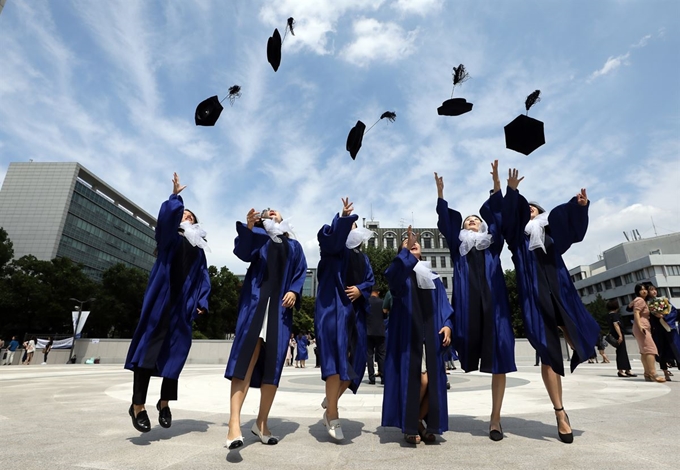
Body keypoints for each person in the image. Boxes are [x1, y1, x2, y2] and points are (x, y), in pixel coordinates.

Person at [502, 168, 600, 444]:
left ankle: (579, 342)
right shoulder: (517, 240)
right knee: (548, 352)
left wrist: (579, 207)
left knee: (574, 325)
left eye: (534, 208)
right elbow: (509, 215)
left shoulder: (551, 234)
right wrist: (512, 192)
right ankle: (560, 412)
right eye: (527, 208)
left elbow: (572, 228)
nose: (530, 209)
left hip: (559, 288)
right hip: (534, 294)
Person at [124, 172, 211, 433]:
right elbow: (165, 222)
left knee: (175, 354)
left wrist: (202, 301)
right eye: (183, 214)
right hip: (162, 300)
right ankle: (138, 405)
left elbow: (204, 277)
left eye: (190, 216)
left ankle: (164, 404)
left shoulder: (198, 248)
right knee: (148, 350)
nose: (186, 216)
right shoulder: (168, 238)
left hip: (182, 305)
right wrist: (175, 197)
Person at [435, 161, 515, 441]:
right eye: (468, 219)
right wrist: (441, 195)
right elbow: (446, 223)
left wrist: (496, 184)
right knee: (457, 345)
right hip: (468, 308)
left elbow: (498, 215)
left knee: (500, 356)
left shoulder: (492, 242)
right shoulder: (458, 247)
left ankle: (495, 419)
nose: (473, 221)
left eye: (475, 219)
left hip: (494, 306)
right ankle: (426, 411)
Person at [225, 207, 307, 450]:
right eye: (266, 211)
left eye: (275, 210)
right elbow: (242, 252)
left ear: (282, 218)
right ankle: (234, 423)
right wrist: (250, 228)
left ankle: (261, 423)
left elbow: (301, 272)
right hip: (256, 304)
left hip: (280, 310)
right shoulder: (259, 234)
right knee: (246, 361)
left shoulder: (294, 245)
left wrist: (294, 290)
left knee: (274, 364)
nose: (271, 211)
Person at [382, 226, 453, 445]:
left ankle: (416, 422)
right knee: (421, 380)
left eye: (415, 243)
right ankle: (413, 422)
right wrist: (404, 255)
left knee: (435, 384)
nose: (412, 243)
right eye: (406, 243)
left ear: (422, 252)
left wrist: (448, 325)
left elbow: (444, 305)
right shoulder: (400, 276)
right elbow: (392, 278)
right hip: (409, 337)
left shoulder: (433, 277)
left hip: (432, 336)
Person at [315, 198, 375, 441]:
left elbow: (370, 281)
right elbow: (331, 238)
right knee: (337, 360)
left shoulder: (363, 258)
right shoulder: (331, 247)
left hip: (357, 313)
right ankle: (333, 413)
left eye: (354, 224)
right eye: (349, 224)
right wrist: (342, 217)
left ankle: (331, 400)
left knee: (356, 365)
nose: (353, 227)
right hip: (334, 309)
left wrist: (360, 289)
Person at [630, 283, 665, 382]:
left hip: (642, 326)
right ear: (637, 291)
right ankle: (653, 374)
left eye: (645, 289)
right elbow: (636, 312)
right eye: (641, 290)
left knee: (644, 351)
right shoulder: (640, 300)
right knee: (651, 349)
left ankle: (647, 374)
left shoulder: (641, 300)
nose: (644, 291)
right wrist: (640, 326)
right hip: (642, 326)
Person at [646, 283, 680, 381]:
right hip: (658, 330)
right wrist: (655, 315)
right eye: (651, 290)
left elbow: (674, 312)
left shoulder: (664, 300)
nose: (654, 291)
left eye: (654, 289)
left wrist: (665, 316)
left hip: (669, 329)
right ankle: (665, 373)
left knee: (677, 349)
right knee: (662, 351)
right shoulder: (648, 304)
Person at [606, 299, 636, 378]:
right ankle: (621, 370)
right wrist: (620, 335)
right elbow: (616, 325)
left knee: (621, 352)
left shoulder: (609, 315)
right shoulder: (615, 315)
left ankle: (627, 369)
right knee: (622, 352)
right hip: (618, 334)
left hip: (613, 334)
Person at [366, 287, 386, 385]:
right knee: (381, 354)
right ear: (378, 292)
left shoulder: (366, 302)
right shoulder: (382, 302)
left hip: (368, 331)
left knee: (369, 355)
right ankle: (383, 377)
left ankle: (371, 378)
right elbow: (385, 315)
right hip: (380, 331)